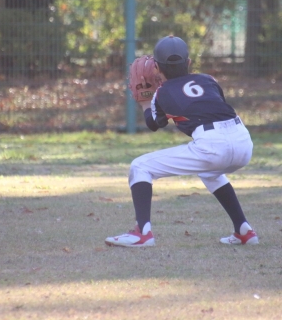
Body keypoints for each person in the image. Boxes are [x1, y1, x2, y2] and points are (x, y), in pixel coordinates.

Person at [105, 35, 258, 247]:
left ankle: (142, 233)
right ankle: (243, 231)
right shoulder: (209, 80)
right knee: (210, 172)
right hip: (243, 141)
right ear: (189, 62)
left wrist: (145, 101)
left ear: (156, 68)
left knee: (140, 166)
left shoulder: (162, 93)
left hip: (211, 145)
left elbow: (154, 124)